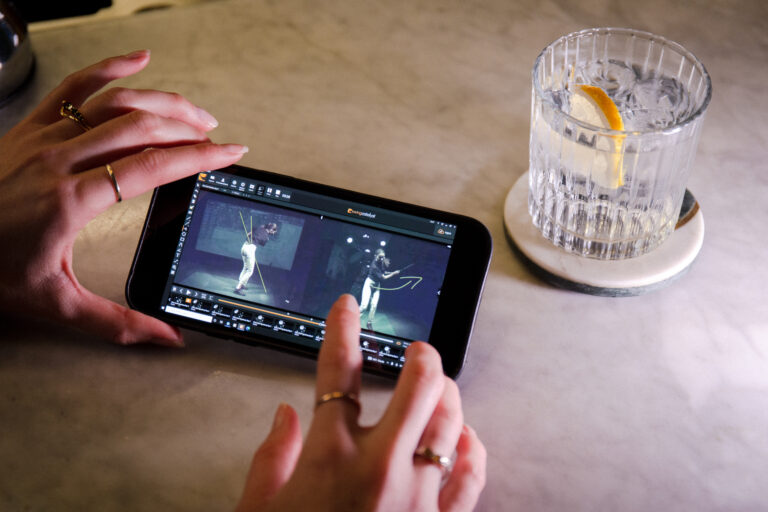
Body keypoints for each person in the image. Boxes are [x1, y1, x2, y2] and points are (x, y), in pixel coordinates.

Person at [0, 52, 486, 510]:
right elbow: (269, 242)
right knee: (251, 269)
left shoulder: (292, 241)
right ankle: (243, 289)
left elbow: (340, 258)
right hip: (257, 254)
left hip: (289, 263)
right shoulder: (266, 239)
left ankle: (251, 290)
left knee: (265, 275)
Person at [359, 248, 400, 330]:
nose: (382, 259)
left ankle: (369, 322)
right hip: (369, 283)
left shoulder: (382, 262)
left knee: (374, 305)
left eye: (383, 257)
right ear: (375, 256)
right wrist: (394, 274)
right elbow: (383, 278)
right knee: (364, 306)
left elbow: (384, 272)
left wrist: (392, 272)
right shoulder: (374, 266)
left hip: (377, 285)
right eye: (380, 257)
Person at [236, 222, 278, 295]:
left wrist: (250, 233)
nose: (273, 233)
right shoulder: (266, 237)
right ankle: (238, 288)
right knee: (250, 271)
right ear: (271, 229)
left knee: (245, 267)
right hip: (250, 249)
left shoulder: (260, 227)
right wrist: (267, 237)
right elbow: (262, 244)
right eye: (274, 231)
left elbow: (251, 232)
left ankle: (242, 284)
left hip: (244, 247)